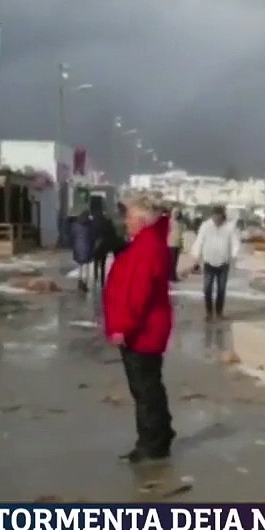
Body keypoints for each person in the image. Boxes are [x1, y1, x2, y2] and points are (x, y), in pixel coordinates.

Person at [102, 193, 175, 463]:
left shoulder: (146, 248)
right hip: (145, 329)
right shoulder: (146, 244)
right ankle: (160, 434)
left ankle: (151, 444)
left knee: (144, 390)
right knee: (149, 386)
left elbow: (137, 294)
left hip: (142, 332)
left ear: (143, 221)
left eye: (130, 217)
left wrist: (122, 327)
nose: (125, 222)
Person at [189, 205, 240, 320]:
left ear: (223, 216)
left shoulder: (229, 227)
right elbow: (199, 241)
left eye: (219, 217)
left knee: (221, 289)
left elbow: (235, 242)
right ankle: (209, 312)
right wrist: (196, 257)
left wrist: (234, 255)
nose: (216, 220)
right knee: (207, 288)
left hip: (223, 263)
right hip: (209, 262)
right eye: (214, 217)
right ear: (212, 216)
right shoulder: (206, 226)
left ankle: (219, 312)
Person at [93, 207, 122, 285]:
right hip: (112, 243)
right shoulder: (109, 223)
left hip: (103, 244)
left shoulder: (98, 223)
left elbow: (97, 234)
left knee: (99, 260)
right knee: (112, 260)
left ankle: (97, 277)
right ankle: (113, 277)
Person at [70, 209, 96, 292]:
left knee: (80, 265)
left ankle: (80, 281)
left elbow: (72, 236)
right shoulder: (90, 225)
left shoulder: (75, 225)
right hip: (88, 248)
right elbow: (93, 236)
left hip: (77, 247)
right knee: (87, 267)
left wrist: (73, 245)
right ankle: (85, 283)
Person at [167, 207, 184, 282]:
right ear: (171, 213)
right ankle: (172, 276)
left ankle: (173, 276)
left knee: (175, 261)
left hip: (178, 244)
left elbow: (181, 234)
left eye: (177, 212)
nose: (176, 214)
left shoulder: (180, 222)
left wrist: (182, 244)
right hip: (171, 244)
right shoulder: (169, 222)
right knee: (172, 261)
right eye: (175, 212)